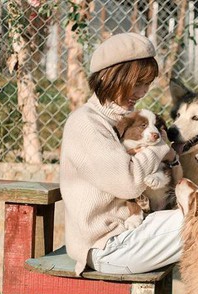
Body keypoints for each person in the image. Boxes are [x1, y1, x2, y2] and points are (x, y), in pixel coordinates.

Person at [60, 32, 183, 276]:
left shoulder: (129, 121)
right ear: (110, 77)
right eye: (137, 83)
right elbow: (128, 184)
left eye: (146, 84)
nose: (142, 92)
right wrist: (159, 148)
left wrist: (166, 155)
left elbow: (171, 170)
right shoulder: (86, 123)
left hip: (135, 228)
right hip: (107, 245)